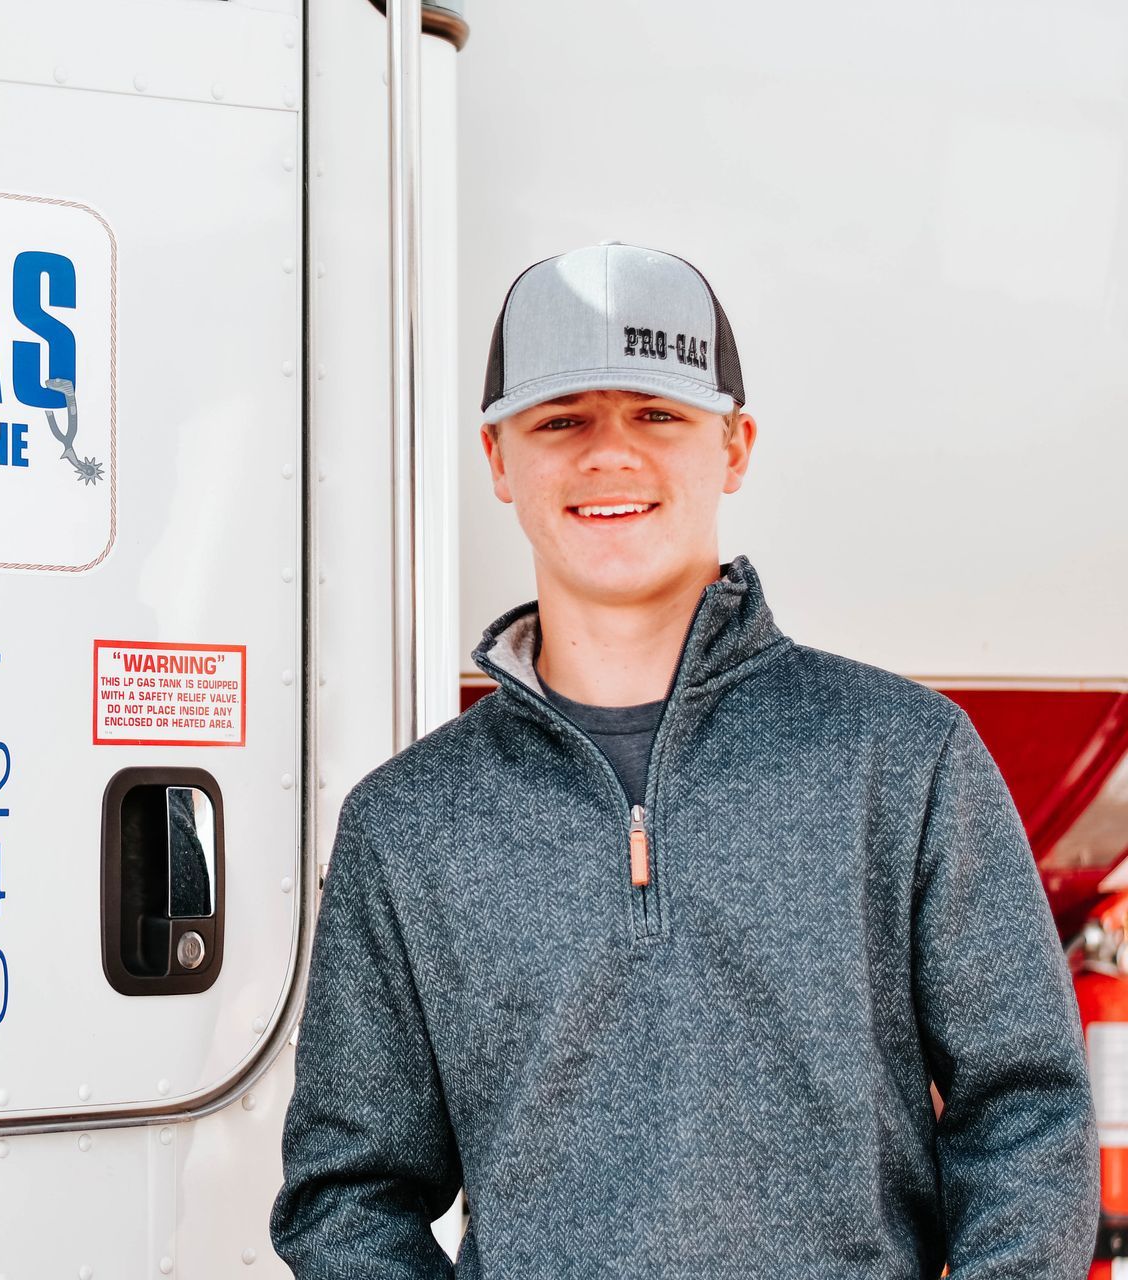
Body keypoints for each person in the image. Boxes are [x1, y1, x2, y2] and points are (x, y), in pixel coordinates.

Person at [269, 242, 1098, 1276]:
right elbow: (348, 1195)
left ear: (735, 445)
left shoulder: (903, 758)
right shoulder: (409, 821)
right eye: (561, 418)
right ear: (497, 459)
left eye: (657, 413)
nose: (610, 453)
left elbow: (1026, 1111)